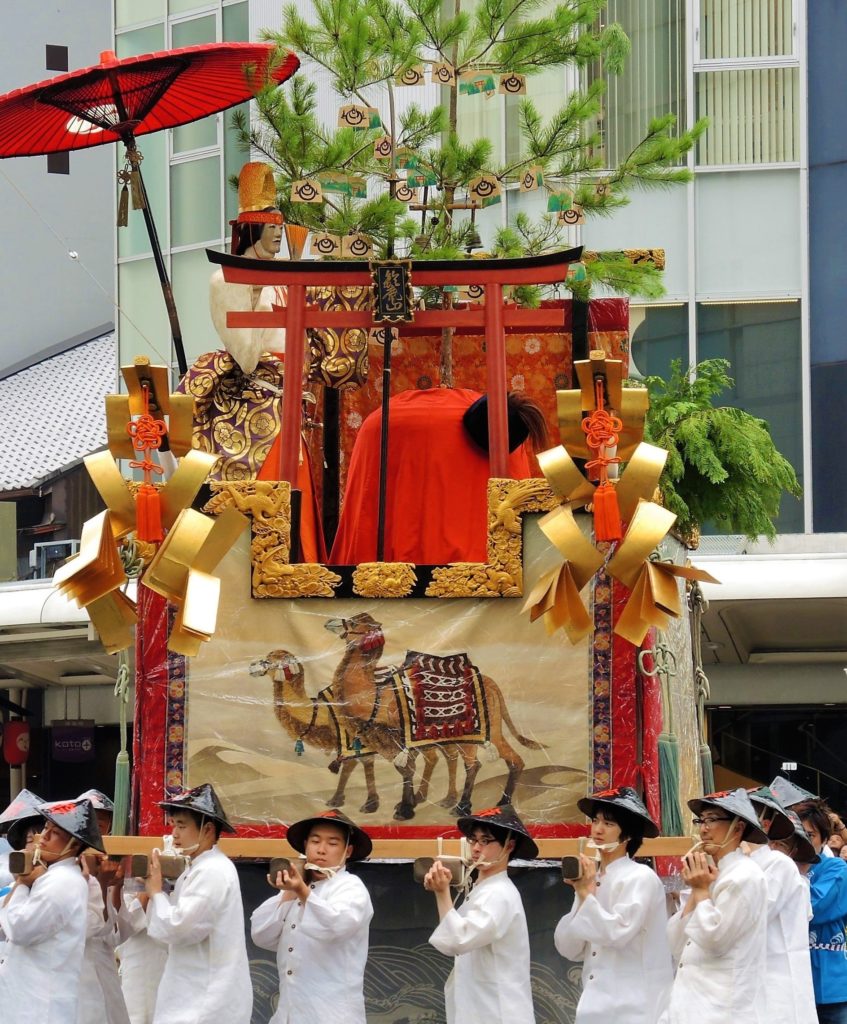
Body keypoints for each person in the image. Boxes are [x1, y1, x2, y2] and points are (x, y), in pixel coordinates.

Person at [180, 160, 324, 560]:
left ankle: (301, 564)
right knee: (263, 487)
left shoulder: (288, 275)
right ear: (252, 229)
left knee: (297, 491)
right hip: (258, 398)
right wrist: (258, 293)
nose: (279, 233)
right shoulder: (226, 279)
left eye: (281, 226)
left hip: (292, 395)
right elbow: (244, 355)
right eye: (271, 226)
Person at [554, 786, 673, 1023]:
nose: (597, 829)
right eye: (596, 821)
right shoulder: (593, 878)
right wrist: (582, 893)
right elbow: (570, 948)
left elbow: (616, 933)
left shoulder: (640, 877)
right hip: (595, 1002)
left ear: (627, 835)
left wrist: (586, 896)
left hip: (635, 1004)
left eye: (608, 824)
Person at [251, 808, 374, 1023]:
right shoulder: (298, 888)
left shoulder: (351, 887)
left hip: (332, 1014)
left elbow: (335, 927)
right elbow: (261, 935)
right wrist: (291, 889)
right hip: (289, 1013)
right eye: (315, 842)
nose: (322, 850)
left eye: (333, 843)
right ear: (305, 845)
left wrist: (302, 890)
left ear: (348, 851)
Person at [145, 783, 252, 1024]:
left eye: (182, 826)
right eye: (174, 826)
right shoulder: (199, 868)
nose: (174, 835)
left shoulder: (212, 870)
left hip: (205, 1002)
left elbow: (180, 928)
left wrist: (156, 893)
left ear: (208, 830)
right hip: (194, 995)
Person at [662, 788, 769, 1024]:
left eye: (712, 819)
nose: (704, 828)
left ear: (738, 828)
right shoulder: (712, 875)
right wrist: (696, 890)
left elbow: (715, 939)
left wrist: (700, 890)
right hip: (690, 1004)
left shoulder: (745, 876)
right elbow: (677, 944)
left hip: (722, 1008)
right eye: (702, 820)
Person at [425, 804, 536, 1024]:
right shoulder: (483, 889)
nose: (476, 848)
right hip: (482, 1008)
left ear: (509, 846)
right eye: (473, 840)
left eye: (485, 841)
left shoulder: (499, 894)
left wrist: (442, 893)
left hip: (497, 1012)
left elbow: (458, 940)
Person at [0, 796, 105, 1023]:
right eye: (46, 827)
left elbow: (19, 929)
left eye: (55, 833)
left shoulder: (62, 881)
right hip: (30, 998)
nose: (44, 837)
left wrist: (22, 886)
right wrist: (23, 883)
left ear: (74, 845)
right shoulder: (50, 876)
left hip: (40, 1005)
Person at [746, 787, 817, 1024]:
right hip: (747, 984)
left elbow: (749, 920)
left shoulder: (778, 864)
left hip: (777, 986)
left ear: (764, 824)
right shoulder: (742, 864)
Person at [74, 789, 131, 1024]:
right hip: (76, 968)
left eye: (103, 821)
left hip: (104, 964)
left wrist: (114, 885)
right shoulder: (65, 866)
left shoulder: (113, 863)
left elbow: (118, 934)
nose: (98, 827)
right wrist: (100, 882)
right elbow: (86, 926)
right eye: (91, 820)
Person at [794, 799, 847, 1023]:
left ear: (824, 839)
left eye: (811, 835)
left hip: (829, 984)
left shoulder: (836, 867)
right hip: (792, 981)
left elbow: (814, 908)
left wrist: (800, 871)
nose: (803, 842)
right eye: (798, 835)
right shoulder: (781, 867)